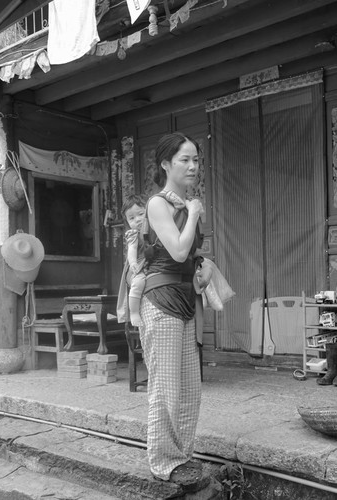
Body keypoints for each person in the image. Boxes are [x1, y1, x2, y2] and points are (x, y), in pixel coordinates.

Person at [139, 132, 210, 492]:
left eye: (196, 159)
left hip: (184, 300)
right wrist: (194, 211)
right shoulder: (157, 204)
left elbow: (191, 258)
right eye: (185, 159)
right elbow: (178, 253)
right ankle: (163, 461)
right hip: (161, 300)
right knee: (166, 387)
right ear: (166, 164)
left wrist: (205, 265)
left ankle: (182, 454)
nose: (193, 166)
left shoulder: (182, 204)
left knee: (189, 387)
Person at [120, 194, 148, 326]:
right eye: (131, 218)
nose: (137, 220)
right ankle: (134, 312)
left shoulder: (157, 228)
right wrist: (133, 263)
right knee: (139, 282)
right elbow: (131, 250)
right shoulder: (134, 234)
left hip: (151, 264)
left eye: (141, 214)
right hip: (138, 266)